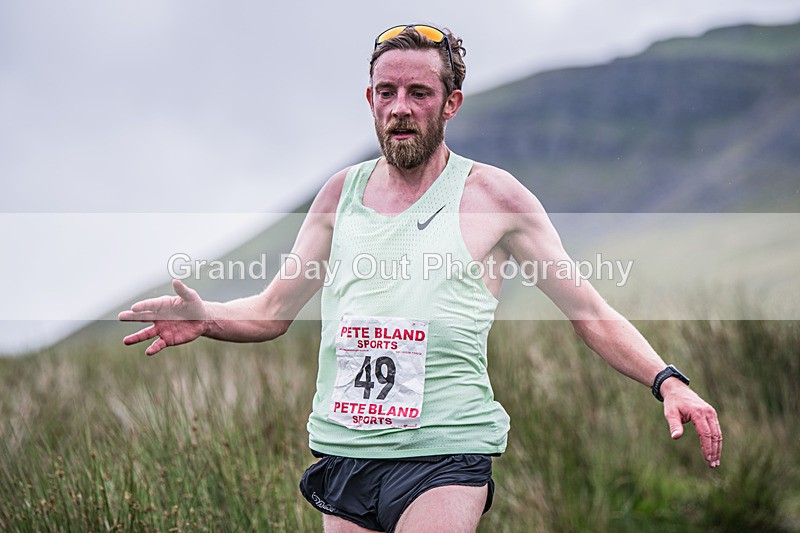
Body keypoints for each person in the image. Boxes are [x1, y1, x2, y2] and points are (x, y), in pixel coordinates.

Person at [119, 24, 722, 533]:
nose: (400, 107)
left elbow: (588, 310)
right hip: (346, 450)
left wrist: (667, 380)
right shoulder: (339, 194)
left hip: (446, 453)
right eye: (387, 92)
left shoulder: (494, 197)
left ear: (451, 102)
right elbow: (275, 308)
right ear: (370, 98)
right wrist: (208, 319)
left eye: (418, 92)